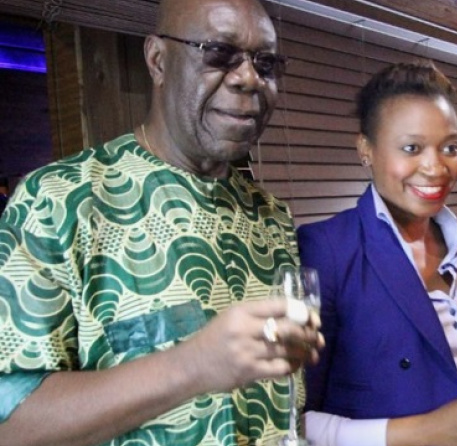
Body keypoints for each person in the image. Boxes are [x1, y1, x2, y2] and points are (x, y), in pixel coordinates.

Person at [0, 0, 324, 444]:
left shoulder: (272, 215)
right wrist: (190, 365)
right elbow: (11, 423)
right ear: (157, 60)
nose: (248, 77)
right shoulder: (58, 201)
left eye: (265, 62)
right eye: (218, 52)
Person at [298, 61, 457, 446]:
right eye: (412, 148)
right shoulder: (327, 250)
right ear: (366, 150)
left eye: (450, 147)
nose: (435, 166)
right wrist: (428, 432)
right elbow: (293, 419)